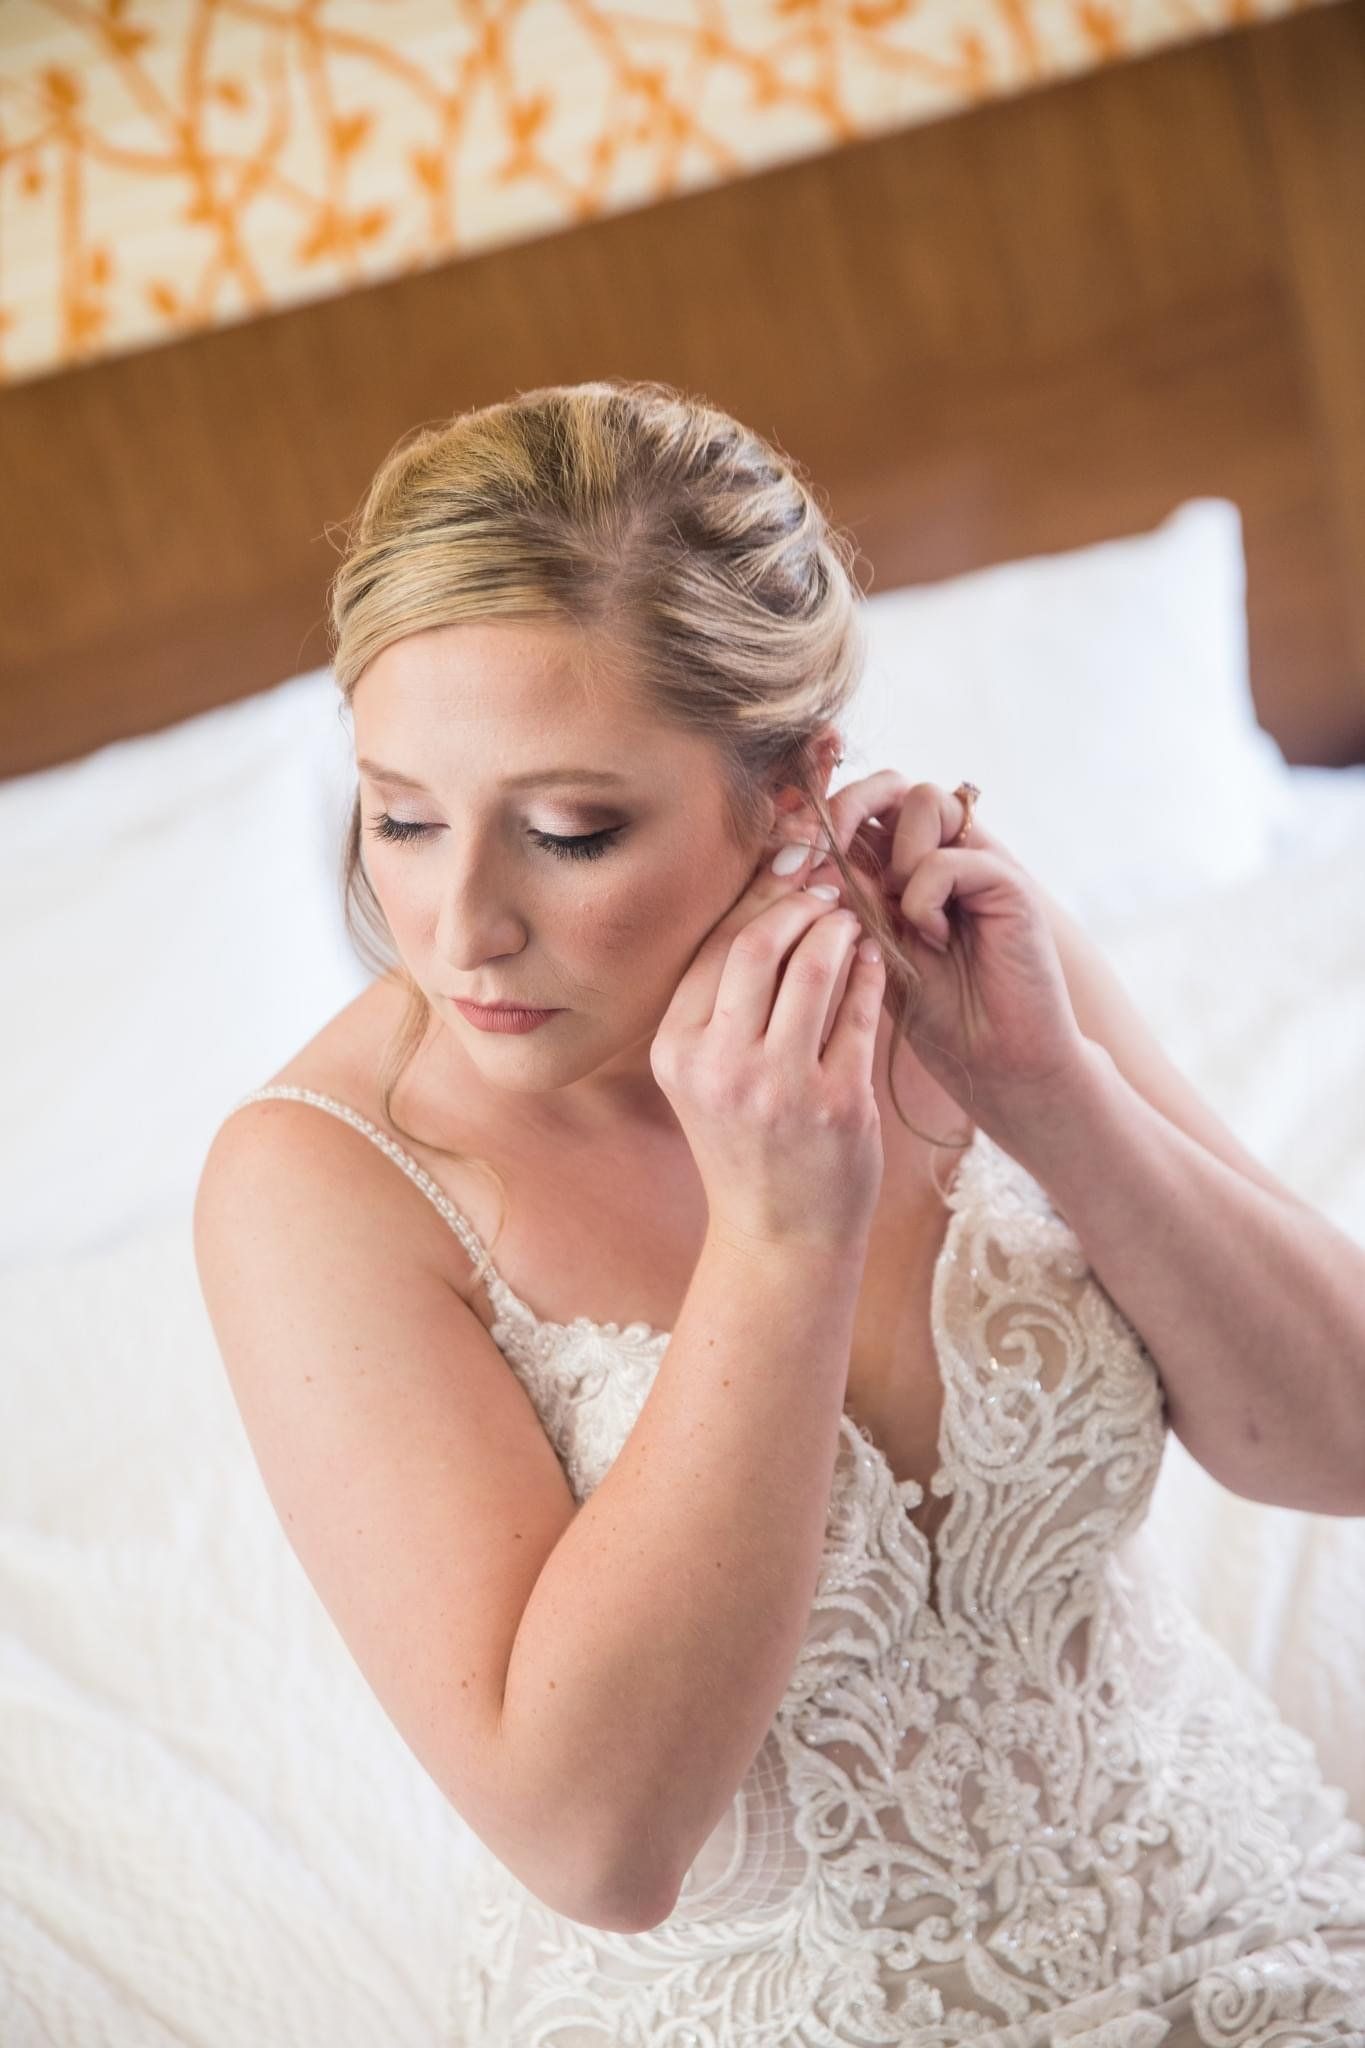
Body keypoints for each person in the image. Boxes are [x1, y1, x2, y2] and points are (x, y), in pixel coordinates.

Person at [194, 380, 1365, 2045]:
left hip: (1251, 1940)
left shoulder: (950, 960)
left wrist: (1051, 1096)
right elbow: (598, 1843)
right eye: (400, 817)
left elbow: (1337, 1440)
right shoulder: (319, 1186)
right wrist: (780, 1239)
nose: (458, 928)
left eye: (568, 830)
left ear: (794, 783)